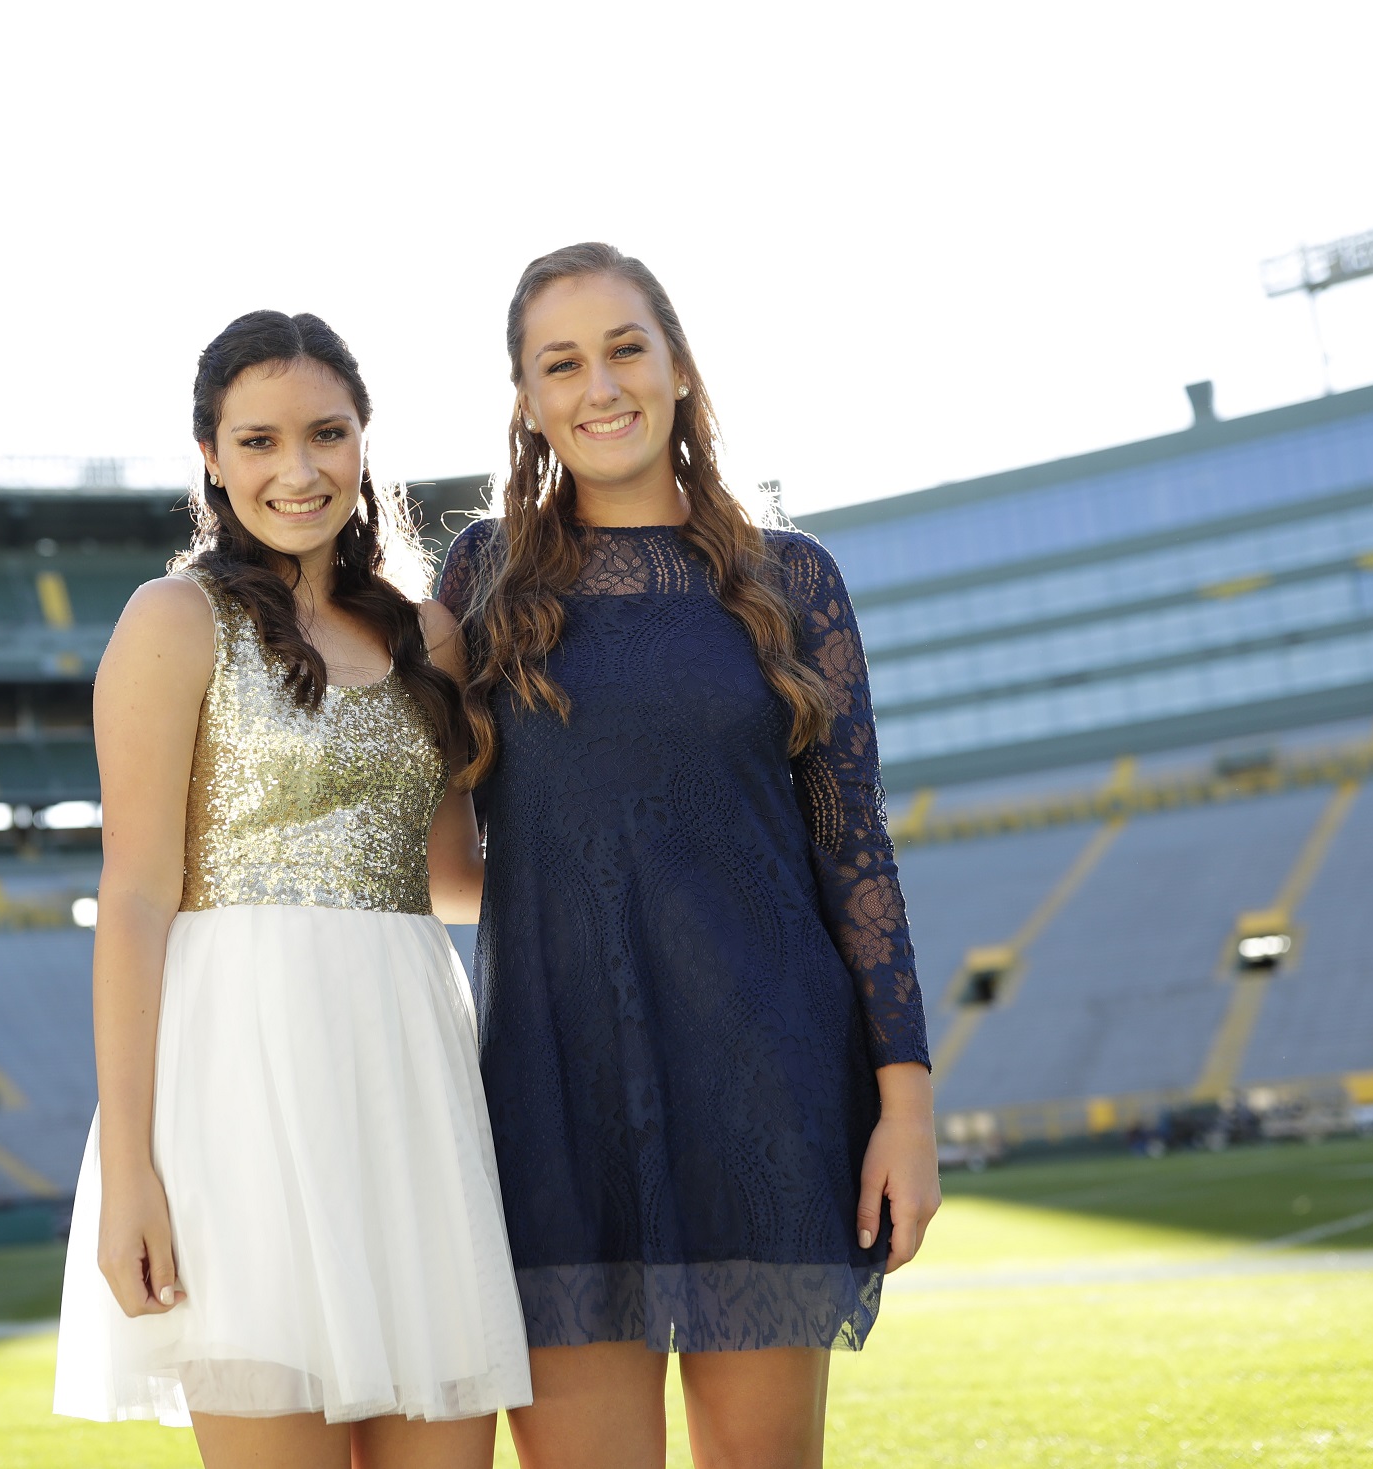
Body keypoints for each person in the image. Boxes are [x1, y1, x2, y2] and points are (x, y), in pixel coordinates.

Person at [436, 243, 941, 1469]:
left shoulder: (792, 577)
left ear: (674, 366)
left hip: (763, 1080)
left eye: (623, 348)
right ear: (526, 399)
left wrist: (905, 1099)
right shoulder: (480, 582)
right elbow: (448, 853)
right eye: (560, 362)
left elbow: (851, 843)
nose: (597, 385)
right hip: (552, 1096)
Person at [54, 310, 531, 1468]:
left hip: (412, 1078)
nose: (297, 469)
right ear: (211, 457)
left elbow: (455, 880)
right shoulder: (173, 621)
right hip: (237, 1098)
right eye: (258, 439)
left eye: (325, 433)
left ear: (363, 442)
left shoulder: (431, 635)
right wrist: (131, 1172)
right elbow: (132, 902)